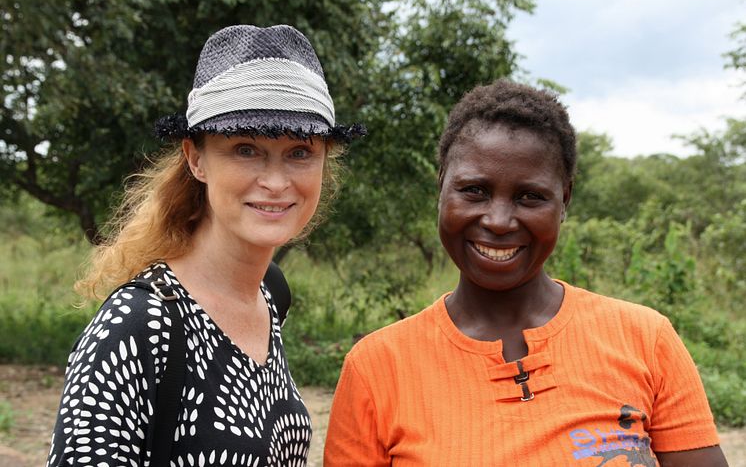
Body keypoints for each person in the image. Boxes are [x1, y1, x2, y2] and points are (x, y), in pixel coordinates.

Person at [323, 79, 727, 466]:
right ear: (441, 186)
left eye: (530, 197)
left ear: (564, 200)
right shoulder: (377, 367)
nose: (499, 221)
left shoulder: (644, 339)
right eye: (474, 191)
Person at [45, 24, 363, 467]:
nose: (275, 181)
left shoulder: (271, 294)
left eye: (300, 152)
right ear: (196, 159)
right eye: (246, 149)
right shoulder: (137, 325)